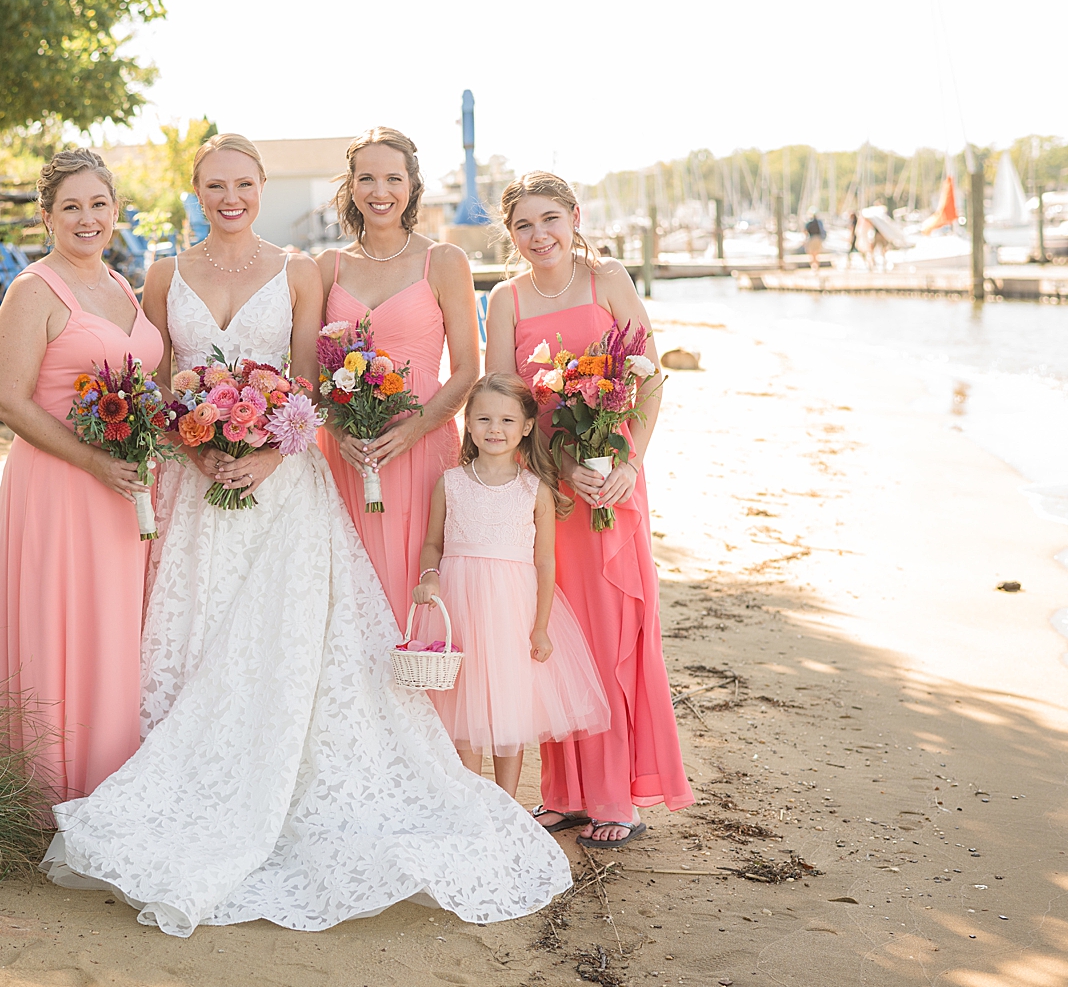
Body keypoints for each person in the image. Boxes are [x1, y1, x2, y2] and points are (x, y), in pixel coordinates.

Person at [38, 135, 573, 937]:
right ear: (195, 189)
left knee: (292, 648)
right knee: (195, 636)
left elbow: (303, 385)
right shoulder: (160, 274)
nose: (232, 197)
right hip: (193, 483)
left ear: (260, 189)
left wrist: (260, 455)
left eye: (245, 184)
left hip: (283, 485)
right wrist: (198, 444)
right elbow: (154, 388)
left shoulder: (297, 270)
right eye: (216, 184)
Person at [484, 170, 693, 848]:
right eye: (523, 225)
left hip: (613, 483)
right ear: (510, 233)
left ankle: (613, 797)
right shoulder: (506, 299)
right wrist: (553, 464)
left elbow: (649, 379)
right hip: (548, 481)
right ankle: (565, 792)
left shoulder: (609, 280)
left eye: (549, 219)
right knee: (550, 631)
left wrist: (629, 465)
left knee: (607, 634)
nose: (538, 235)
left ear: (574, 217)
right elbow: (503, 398)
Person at [0, 149, 164, 804]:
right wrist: (96, 461)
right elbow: (8, 400)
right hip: (60, 484)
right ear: (47, 217)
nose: (86, 218)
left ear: (115, 210)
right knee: (61, 626)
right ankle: (48, 792)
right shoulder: (33, 290)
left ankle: (104, 785)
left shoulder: (119, 286)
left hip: (121, 488)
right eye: (70, 207)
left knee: (109, 631)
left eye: (98, 204)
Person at [412, 373, 610, 799]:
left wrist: (539, 627)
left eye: (506, 420)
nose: (494, 429)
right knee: (463, 707)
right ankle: (469, 800)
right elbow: (432, 544)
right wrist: (429, 578)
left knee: (508, 708)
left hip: (511, 610)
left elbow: (543, 562)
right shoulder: (450, 482)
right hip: (461, 606)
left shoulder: (534, 489)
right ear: (468, 424)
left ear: (525, 427)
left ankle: (504, 803)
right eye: (483, 419)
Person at [316, 128, 478, 626]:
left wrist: (414, 429)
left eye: (392, 178)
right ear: (351, 186)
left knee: (417, 568)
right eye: (366, 178)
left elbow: (469, 368)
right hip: (347, 450)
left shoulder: (444, 261)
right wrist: (340, 432)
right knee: (350, 580)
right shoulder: (328, 266)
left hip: (422, 441)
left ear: (412, 185)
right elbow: (310, 370)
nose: (379, 191)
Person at [804, 207, 826, 272]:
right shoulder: (819, 222)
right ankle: (816, 266)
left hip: (812, 238)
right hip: (818, 238)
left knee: (812, 254)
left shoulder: (809, 222)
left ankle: (813, 267)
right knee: (816, 254)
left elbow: (805, 231)